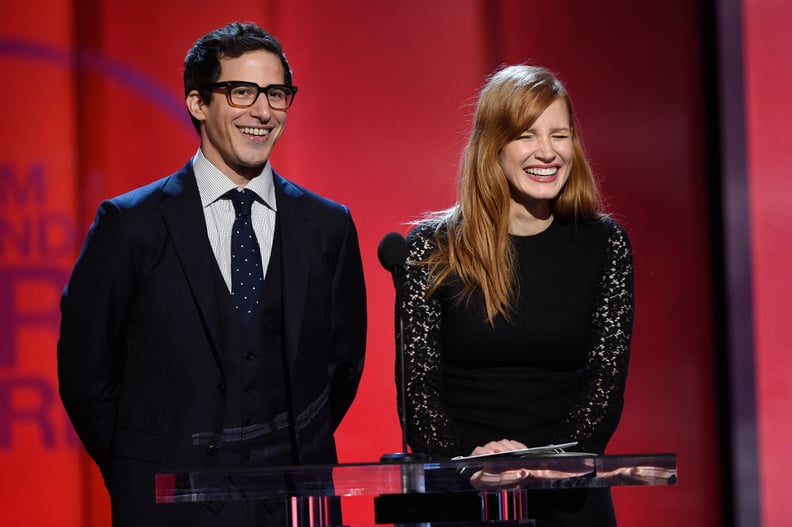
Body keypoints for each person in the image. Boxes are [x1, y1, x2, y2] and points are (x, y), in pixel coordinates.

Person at [57, 21, 367, 527]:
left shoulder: (327, 225)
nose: (263, 112)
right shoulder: (131, 224)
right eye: (241, 92)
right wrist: (138, 466)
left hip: (292, 505)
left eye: (276, 94)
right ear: (198, 103)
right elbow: (86, 369)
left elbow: (342, 365)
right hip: (165, 506)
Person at [394, 65, 633, 526]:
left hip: (567, 495)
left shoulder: (605, 245)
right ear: (494, 146)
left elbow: (605, 387)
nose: (547, 152)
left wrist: (545, 461)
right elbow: (417, 391)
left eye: (559, 136)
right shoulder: (432, 245)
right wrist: (470, 461)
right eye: (527, 135)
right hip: (463, 493)